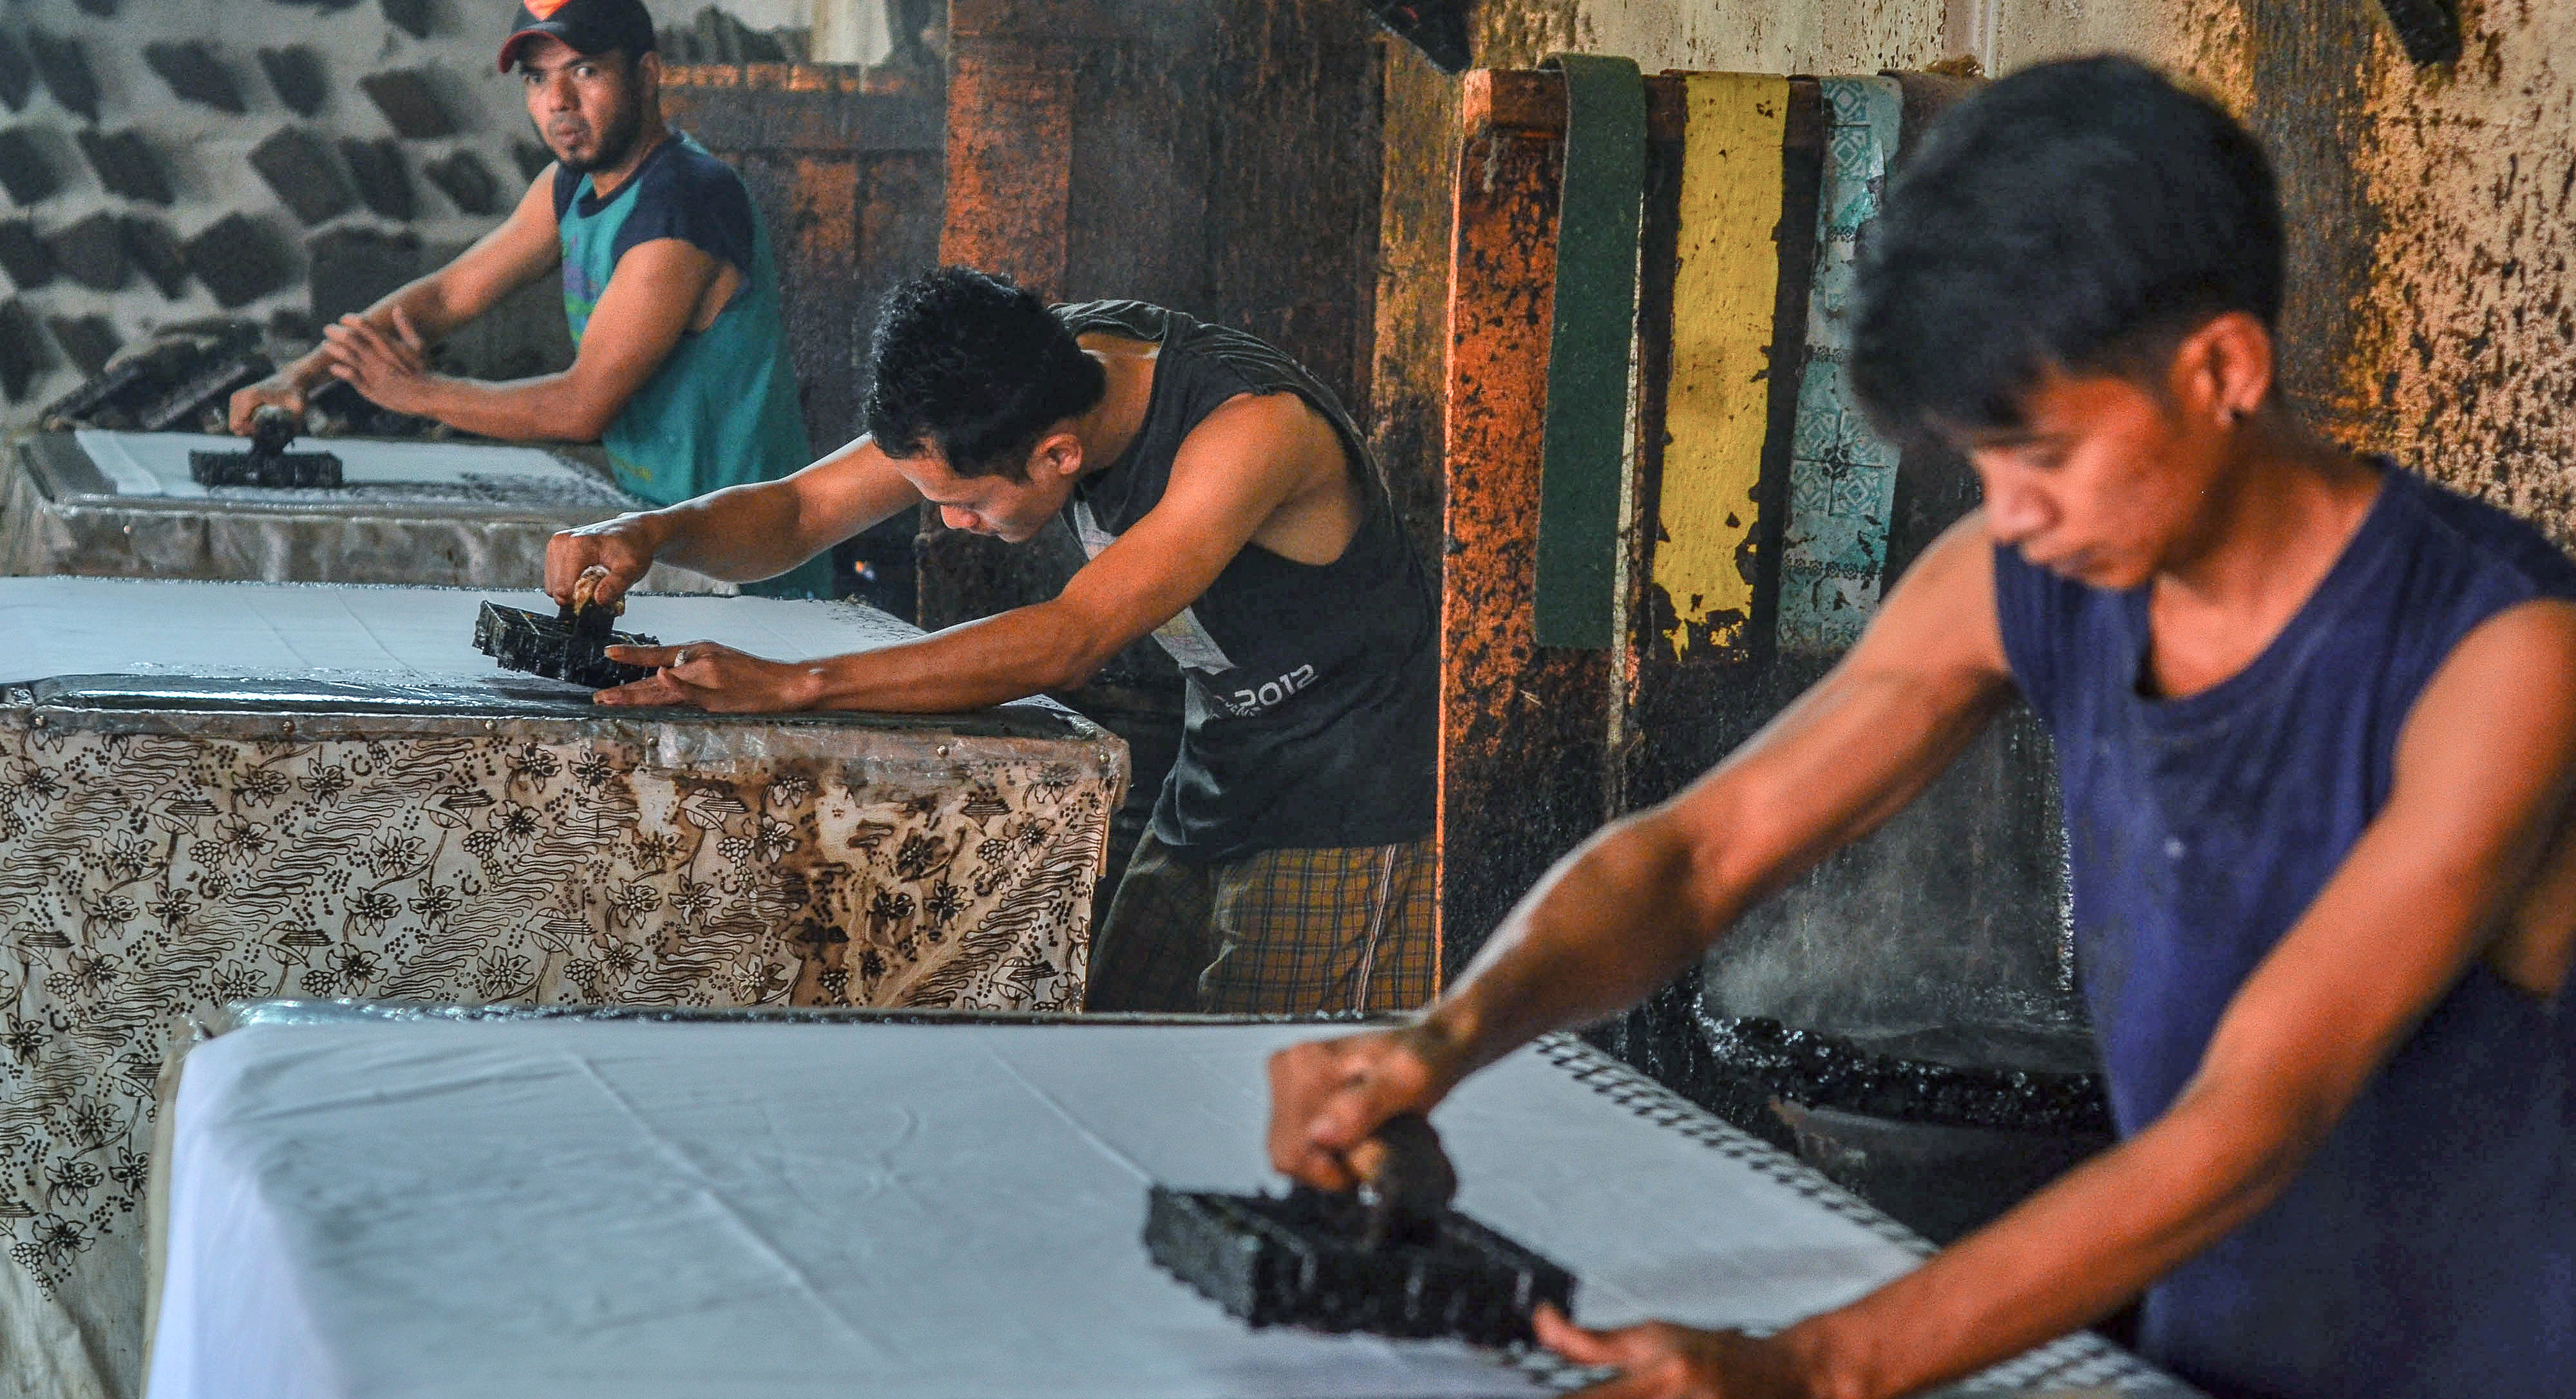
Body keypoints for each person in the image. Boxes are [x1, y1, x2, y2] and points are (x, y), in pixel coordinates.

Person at [1267, 55, 2576, 1399]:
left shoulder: (2502, 660)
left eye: (2044, 454)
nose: (2007, 513)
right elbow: (1693, 857)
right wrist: (1446, 1035)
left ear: (2220, 368)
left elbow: (2256, 1114)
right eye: (1982, 460)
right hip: (2205, 1361)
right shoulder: (2028, 576)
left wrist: (1819, 1369)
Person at [545, 267, 1442, 1015]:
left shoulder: (1253, 434)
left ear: (1058, 455)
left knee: (1272, 1097)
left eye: (965, 500)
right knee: (1119, 1039)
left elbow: (1071, 636)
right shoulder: (1042, 368)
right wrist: (652, 532)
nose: (949, 520)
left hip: (1353, 797)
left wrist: (796, 685)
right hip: (1221, 778)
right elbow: (802, 509)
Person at [229, 0, 830, 596]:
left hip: (744, 566)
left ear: (646, 75)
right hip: (653, 533)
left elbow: (581, 405)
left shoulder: (685, 201)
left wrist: (420, 394)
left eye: (585, 71)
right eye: (538, 78)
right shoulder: (570, 186)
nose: (558, 100)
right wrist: (301, 376)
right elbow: (446, 295)